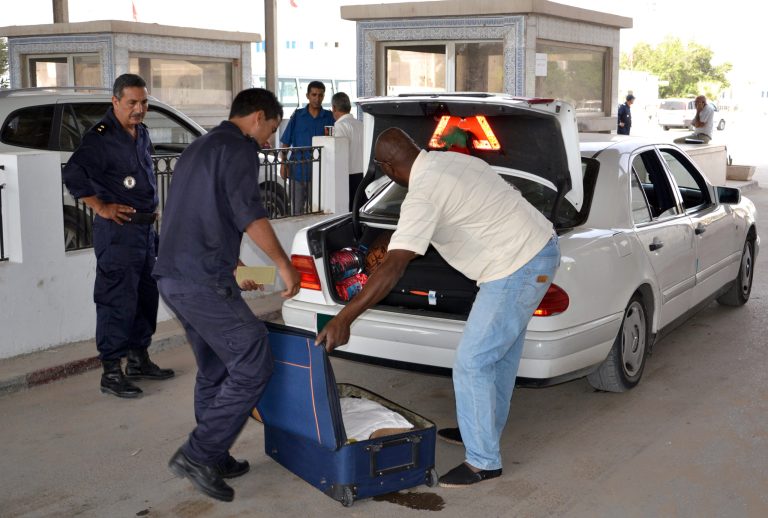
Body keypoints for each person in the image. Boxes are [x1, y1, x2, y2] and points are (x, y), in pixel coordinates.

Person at [316, 127, 561, 488]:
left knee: (472, 362)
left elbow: (395, 267)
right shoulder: (451, 161)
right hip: (537, 249)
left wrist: (344, 317)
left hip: (516, 267)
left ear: (387, 167)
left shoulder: (423, 194)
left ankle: (483, 462)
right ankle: (480, 430)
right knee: (499, 357)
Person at [153, 88, 301, 502]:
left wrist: (233, 265)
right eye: (271, 129)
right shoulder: (240, 149)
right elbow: (248, 213)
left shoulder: (199, 146)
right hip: (200, 281)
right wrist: (284, 265)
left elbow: (194, 212)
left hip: (175, 276)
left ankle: (213, 454)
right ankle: (199, 454)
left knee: (217, 365)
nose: (270, 140)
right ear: (257, 117)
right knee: (254, 357)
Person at [62, 73, 174, 399]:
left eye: (143, 102)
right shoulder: (101, 136)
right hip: (118, 233)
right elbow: (73, 172)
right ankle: (111, 372)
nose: (139, 109)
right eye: (132, 103)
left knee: (145, 296)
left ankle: (139, 358)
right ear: (115, 102)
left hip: (143, 231)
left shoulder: (141, 133)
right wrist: (101, 207)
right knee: (116, 300)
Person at [280, 80, 335, 214]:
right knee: (296, 211)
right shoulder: (297, 116)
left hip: (320, 174)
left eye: (320, 95)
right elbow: (285, 143)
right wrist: (283, 164)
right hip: (297, 172)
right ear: (307, 96)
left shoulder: (329, 117)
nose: (317, 98)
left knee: (318, 212)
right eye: (314, 94)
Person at [331, 92, 365, 211]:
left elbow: (339, 153)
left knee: (349, 213)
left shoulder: (340, 126)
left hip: (348, 175)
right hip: (364, 175)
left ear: (334, 108)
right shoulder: (361, 125)